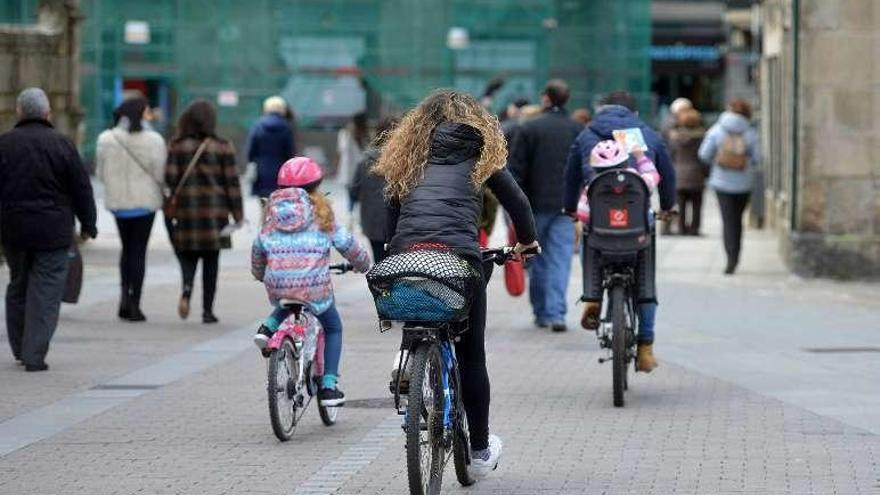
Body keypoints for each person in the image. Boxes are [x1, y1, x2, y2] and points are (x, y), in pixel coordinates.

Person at [375, 89, 539, 478]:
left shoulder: (408, 154)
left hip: (409, 254)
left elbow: (391, 212)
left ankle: (406, 358)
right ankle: (479, 452)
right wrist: (527, 242)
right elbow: (518, 204)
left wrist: (391, 248)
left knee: (415, 304)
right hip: (458, 259)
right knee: (472, 356)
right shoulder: (481, 152)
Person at [563, 90, 677, 372]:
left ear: (600, 109)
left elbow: (571, 176)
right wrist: (669, 206)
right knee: (646, 281)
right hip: (637, 228)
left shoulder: (586, 135)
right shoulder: (648, 134)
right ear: (634, 113)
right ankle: (646, 348)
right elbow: (665, 173)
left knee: (589, 236)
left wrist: (570, 209)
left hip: (600, 229)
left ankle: (591, 296)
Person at [252, 157, 370, 406]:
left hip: (278, 282)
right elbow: (349, 245)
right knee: (333, 326)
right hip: (314, 285)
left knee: (288, 298)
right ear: (316, 187)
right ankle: (328, 386)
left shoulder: (271, 214)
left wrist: (260, 273)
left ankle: (267, 329)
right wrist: (363, 265)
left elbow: (258, 247)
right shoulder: (321, 214)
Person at [0, 88, 97, 371]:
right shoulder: (62, 144)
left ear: (20, 112)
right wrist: (88, 223)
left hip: (13, 229)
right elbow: (82, 188)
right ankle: (34, 352)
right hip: (53, 231)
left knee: (18, 285)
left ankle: (20, 347)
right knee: (46, 290)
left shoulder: (4, 144)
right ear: (47, 113)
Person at [508, 79, 583, 332]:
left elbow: (515, 170)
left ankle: (541, 312)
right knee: (561, 259)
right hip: (565, 205)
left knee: (537, 259)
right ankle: (557, 313)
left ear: (546, 98)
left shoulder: (529, 129)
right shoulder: (576, 129)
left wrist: (516, 207)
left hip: (534, 205)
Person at [166, 99, 244, 324]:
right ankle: (208, 311)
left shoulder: (177, 145)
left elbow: (170, 179)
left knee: (188, 256)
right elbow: (232, 183)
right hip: (215, 215)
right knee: (212, 262)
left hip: (187, 213)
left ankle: (187, 289)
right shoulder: (222, 146)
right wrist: (237, 215)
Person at [96, 96, 167, 322]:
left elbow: (100, 173)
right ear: (140, 113)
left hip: (119, 204)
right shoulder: (154, 140)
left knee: (126, 250)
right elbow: (160, 173)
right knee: (138, 252)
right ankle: (135, 303)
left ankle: (123, 299)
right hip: (145, 204)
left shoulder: (106, 138)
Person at [698, 98, 760, 275]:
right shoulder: (750, 132)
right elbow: (758, 159)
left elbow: (703, 154)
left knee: (728, 221)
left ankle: (730, 260)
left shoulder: (717, 129)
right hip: (744, 184)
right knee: (738, 220)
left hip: (721, 183)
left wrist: (718, 160)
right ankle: (736, 256)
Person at [349, 115, 399, 263]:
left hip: (372, 225)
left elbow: (354, 193)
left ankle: (381, 285)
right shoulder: (404, 161)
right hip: (398, 225)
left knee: (380, 263)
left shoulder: (365, 161)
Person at [247, 96, 295, 202]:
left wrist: (252, 161)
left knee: (264, 202)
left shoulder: (258, 125)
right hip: (281, 170)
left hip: (261, 169)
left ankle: (264, 217)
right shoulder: (287, 127)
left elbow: (251, 149)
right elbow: (290, 152)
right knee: (279, 203)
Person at [667, 108, 707, 236]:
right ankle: (694, 229)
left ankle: (681, 228)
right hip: (696, 174)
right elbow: (705, 157)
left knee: (681, 204)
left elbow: (671, 155)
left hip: (679, 175)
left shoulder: (674, 138)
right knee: (697, 204)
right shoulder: (702, 138)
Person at [336, 111, 368, 193]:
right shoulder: (346, 134)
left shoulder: (362, 135)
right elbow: (342, 151)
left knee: (353, 196)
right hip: (351, 170)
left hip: (355, 170)